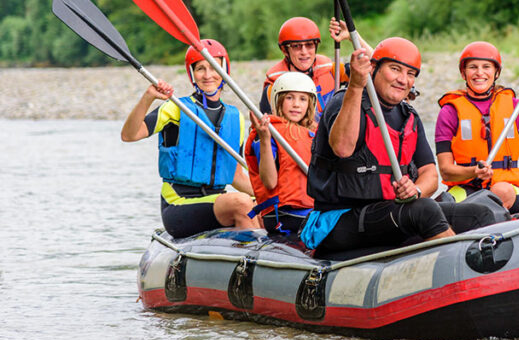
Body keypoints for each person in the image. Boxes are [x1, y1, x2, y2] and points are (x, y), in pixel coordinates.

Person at [301, 38, 493, 257]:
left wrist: (416, 189)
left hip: (387, 213)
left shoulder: (408, 115)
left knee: (479, 213)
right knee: (424, 210)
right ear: (373, 68)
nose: (403, 79)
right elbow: (343, 148)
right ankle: (462, 266)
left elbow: (430, 174)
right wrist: (355, 85)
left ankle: (490, 274)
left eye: (410, 73)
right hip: (337, 220)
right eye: (395, 69)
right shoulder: (345, 100)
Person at [120, 39, 257, 238]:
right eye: (201, 68)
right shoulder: (177, 108)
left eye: (214, 67)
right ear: (192, 73)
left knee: (262, 207)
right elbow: (129, 135)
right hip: (179, 204)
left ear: (225, 70)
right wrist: (148, 97)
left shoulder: (235, 119)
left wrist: (274, 195)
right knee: (242, 203)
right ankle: (249, 260)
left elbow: (236, 177)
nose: (208, 75)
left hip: (216, 200)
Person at [435, 41, 519, 213]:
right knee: (437, 207)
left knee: (501, 191)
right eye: (473, 67)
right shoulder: (449, 112)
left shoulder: (515, 107)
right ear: (463, 73)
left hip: (508, 189)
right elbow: (446, 171)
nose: (479, 73)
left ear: (496, 72)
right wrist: (474, 172)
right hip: (466, 188)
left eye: (486, 67)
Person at [246, 72, 317, 234]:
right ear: (278, 100)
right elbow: (270, 182)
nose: (296, 104)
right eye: (289, 98)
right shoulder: (268, 132)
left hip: (311, 210)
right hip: (285, 214)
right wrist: (264, 138)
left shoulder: (314, 134)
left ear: (310, 104)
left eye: (303, 99)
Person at [261, 16, 349, 121]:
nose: (304, 52)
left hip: (333, 132)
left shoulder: (331, 69)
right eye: (296, 46)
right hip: (298, 135)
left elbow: (371, 71)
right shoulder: (274, 87)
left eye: (309, 45)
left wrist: (352, 37)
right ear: (285, 50)